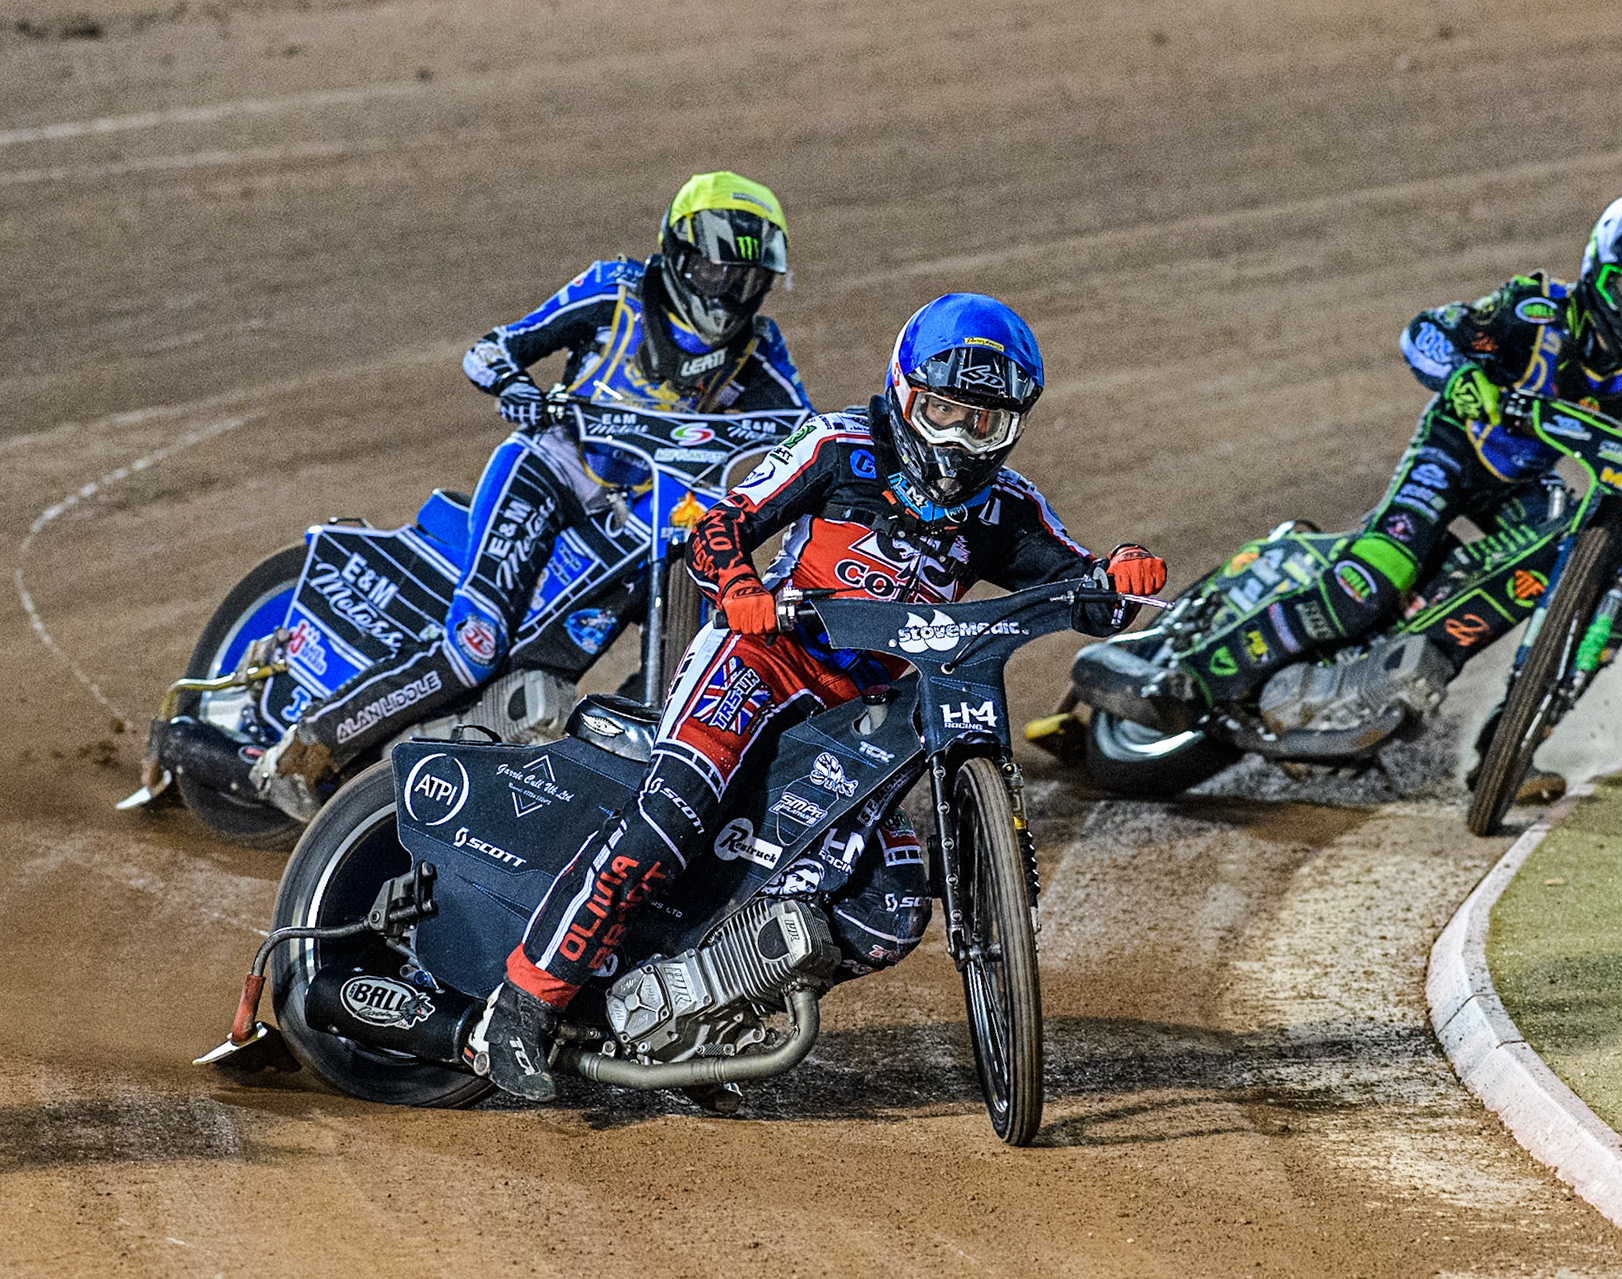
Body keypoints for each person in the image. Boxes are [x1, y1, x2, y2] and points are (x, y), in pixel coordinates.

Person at [477, 292, 1169, 1100]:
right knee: (667, 819)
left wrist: (1121, 573)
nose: (956, 438)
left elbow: (1085, 588)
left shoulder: (1005, 510)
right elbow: (717, 523)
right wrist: (738, 584)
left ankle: (707, 1018)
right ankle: (520, 1008)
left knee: (892, 908)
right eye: (943, 409)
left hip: (865, 716)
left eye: (982, 422)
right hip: (760, 659)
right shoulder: (838, 447)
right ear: (904, 393)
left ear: (1013, 426)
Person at [1189, 189, 1622, 772]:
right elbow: (1425, 331)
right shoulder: (1532, 311)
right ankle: (1194, 671)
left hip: (1524, 482)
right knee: (1377, 578)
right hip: (1455, 451)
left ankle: (1499, 749)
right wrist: (1461, 375)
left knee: (1589, 593)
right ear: (1597, 272)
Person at [254, 171, 811, 817]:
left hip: (641, 519)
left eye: (749, 281)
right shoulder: (618, 289)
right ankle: (313, 740)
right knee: (477, 645)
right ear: (680, 257)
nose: (733, 295)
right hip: (550, 470)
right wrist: (519, 389)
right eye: (720, 274)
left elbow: (803, 429)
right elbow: (491, 351)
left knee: (694, 654)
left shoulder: (759, 347)